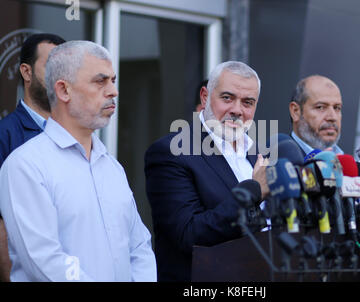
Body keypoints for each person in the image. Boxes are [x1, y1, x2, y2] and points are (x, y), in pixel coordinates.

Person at [0, 40, 156, 281]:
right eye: (100, 81)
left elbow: (139, 247)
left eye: (113, 80)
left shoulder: (112, 167)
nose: (113, 91)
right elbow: (43, 260)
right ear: (64, 90)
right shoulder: (25, 165)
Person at [145, 61, 269, 281]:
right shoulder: (172, 152)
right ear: (205, 97)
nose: (237, 110)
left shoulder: (258, 154)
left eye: (247, 102)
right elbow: (189, 234)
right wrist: (253, 191)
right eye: (227, 98)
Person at [0, 33, 65, 282]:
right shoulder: (5, 136)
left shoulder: (77, 136)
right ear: (26, 73)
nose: (60, 75)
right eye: (51, 65)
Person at [288, 75, 344, 157]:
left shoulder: (348, 165)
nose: (333, 117)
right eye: (320, 107)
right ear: (295, 111)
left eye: (337, 108)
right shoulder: (274, 163)